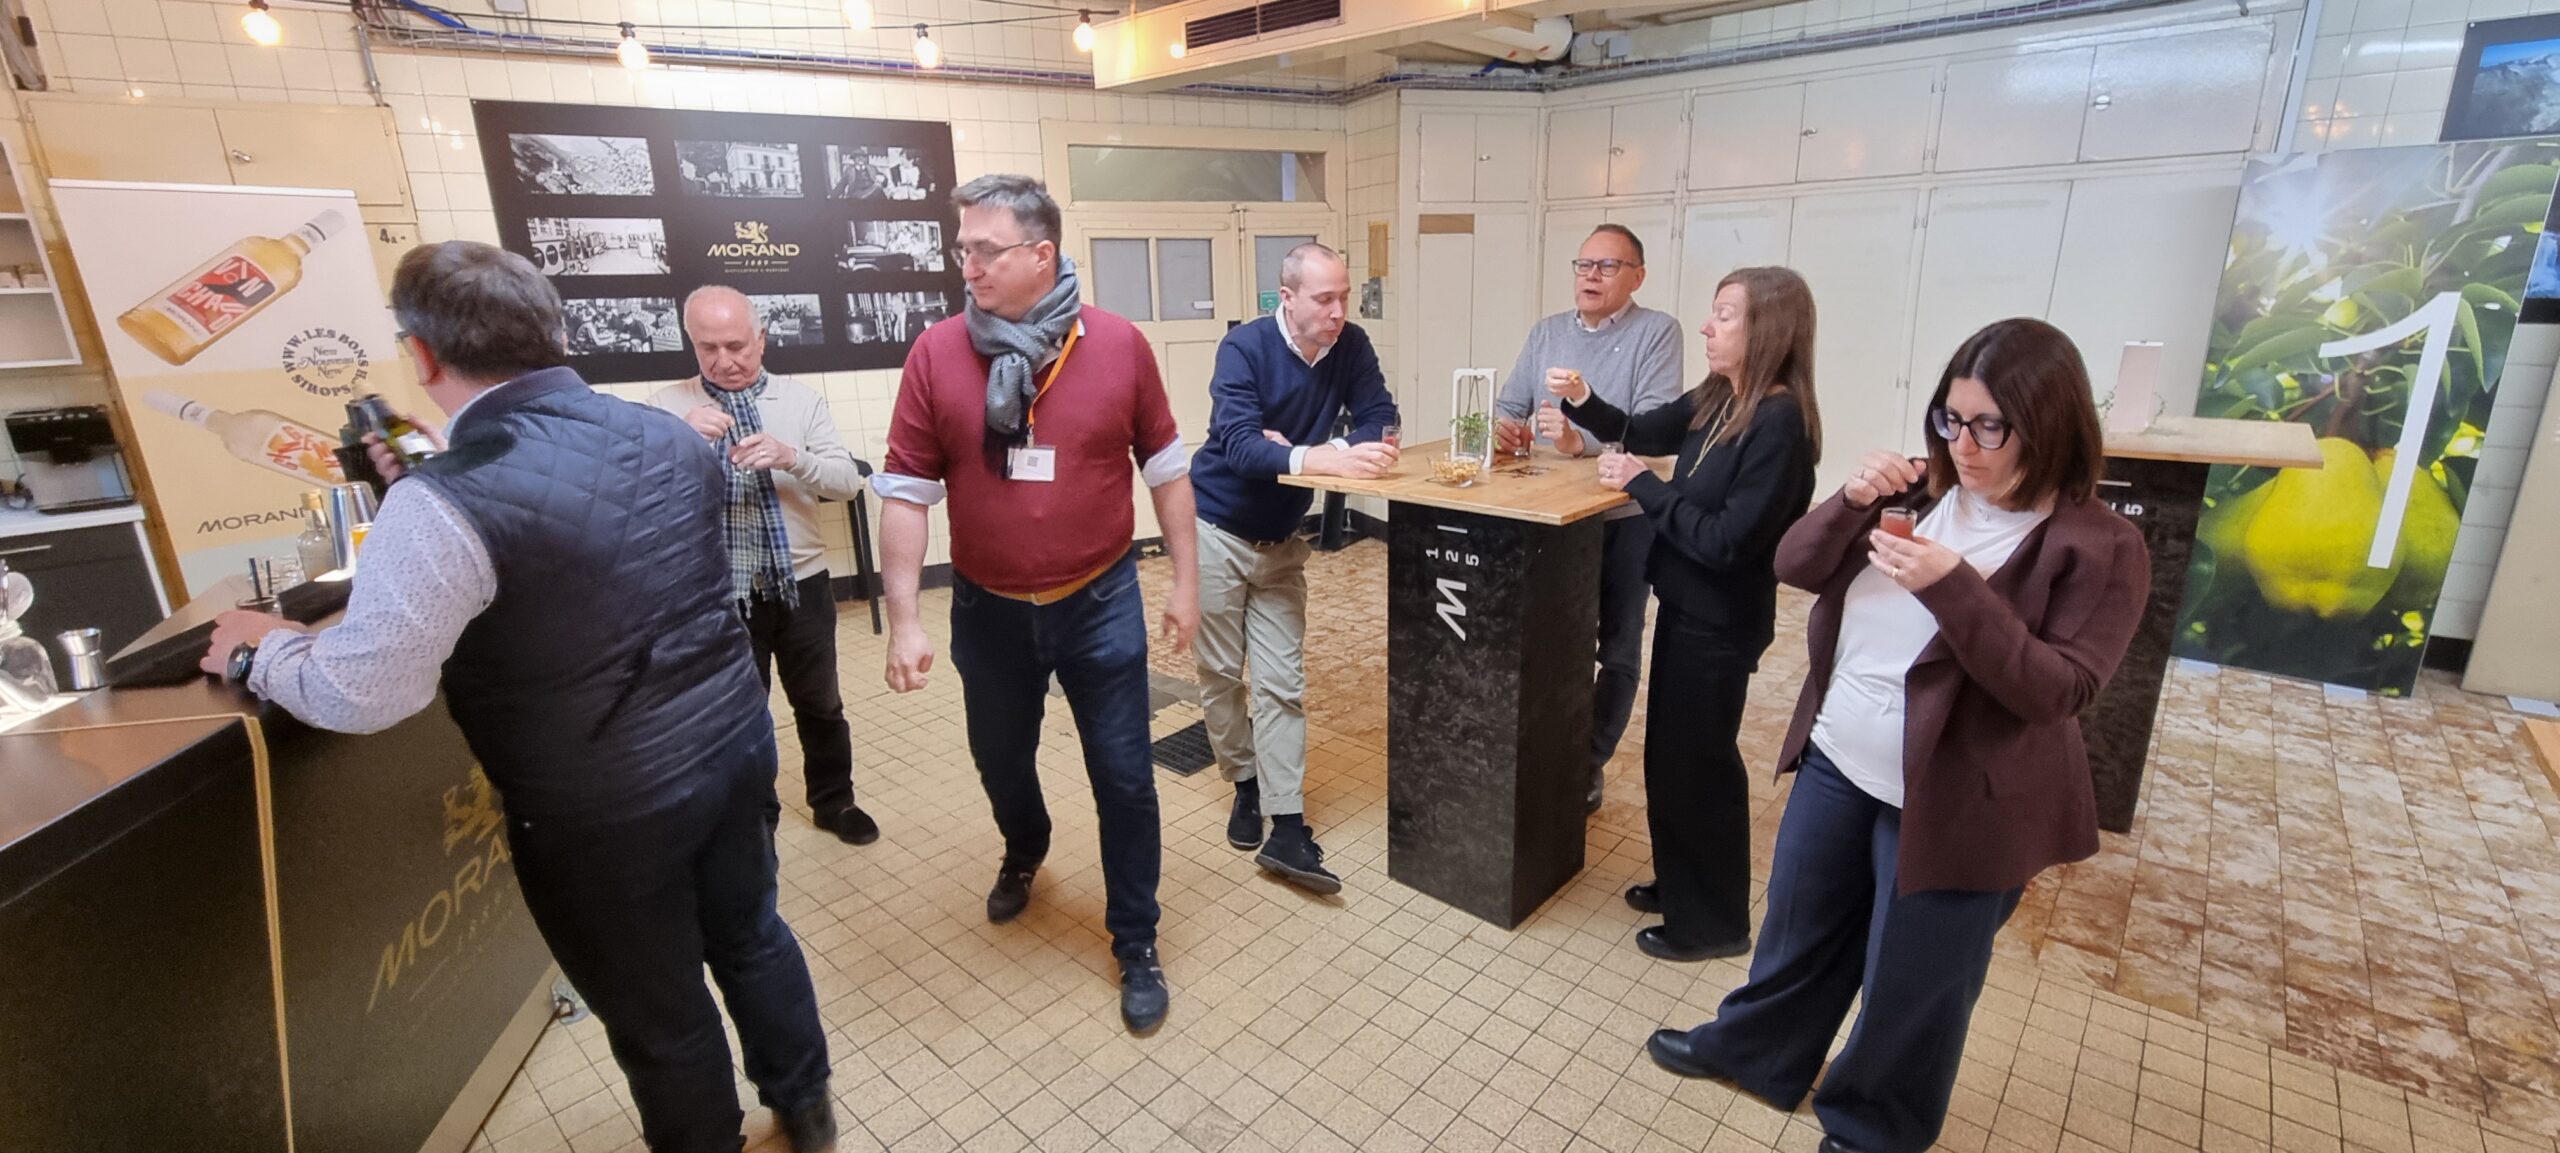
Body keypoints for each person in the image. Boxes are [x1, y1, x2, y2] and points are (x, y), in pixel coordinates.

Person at [197, 242, 835, 1153]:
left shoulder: (443, 502)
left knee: (658, 1005)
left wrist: (263, 651)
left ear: (422, 355)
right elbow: (605, 554)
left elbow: (364, 689)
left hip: (600, 802)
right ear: (558, 332)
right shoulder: (667, 433)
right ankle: (808, 1112)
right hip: (730, 742)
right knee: (752, 934)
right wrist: (435, 476)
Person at [1644, 318, 2150, 1153]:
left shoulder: (2101, 546)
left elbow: (2058, 689)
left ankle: (1875, 1124)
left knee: (1915, 981)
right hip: (1842, 757)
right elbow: (1795, 565)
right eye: (1952, 418)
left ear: (2049, 426)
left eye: (1991, 426)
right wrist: (1848, 501)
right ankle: (1756, 1050)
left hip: (1962, 799)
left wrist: (1956, 586)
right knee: (1798, 932)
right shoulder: (1917, 490)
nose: (1964, 444)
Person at [874, 173, 1199, 1034]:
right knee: (1000, 758)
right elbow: (905, 492)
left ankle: (1136, 937)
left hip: (1099, 597)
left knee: (1124, 776)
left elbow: (1167, 470)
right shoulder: (938, 352)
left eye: (986, 250)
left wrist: (1187, 581)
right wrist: (904, 619)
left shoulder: (1118, 345)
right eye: (963, 249)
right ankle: (1026, 845)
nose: (968, 266)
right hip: (988, 609)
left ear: (1042, 254)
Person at [1552, 266, 1822, 961]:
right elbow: (1641, 428)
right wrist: (1583, 400)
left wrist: (1643, 485)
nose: (1707, 325)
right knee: (1670, 761)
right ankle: (1681, 883)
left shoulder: (1780, 424)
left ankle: (1713, 923)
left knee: (1701, 768)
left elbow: (1727, 540)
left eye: (1725, 315)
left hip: (1722, 622)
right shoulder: (1719, 397)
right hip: (1686, 605)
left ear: (1767, 329)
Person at [1188, 242, 1400, 894]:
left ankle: (1285, 824)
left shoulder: (1350, 345)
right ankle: (1244, 783)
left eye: (1345, 297)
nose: (1339, 311)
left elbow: (1382, 422)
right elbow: (1239, 447)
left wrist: (1307, 450)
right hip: (1215, 530)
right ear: (1288, 298)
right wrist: (1321, 458)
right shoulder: (1244, 349)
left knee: (1281, 683)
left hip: (1282, 543)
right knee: (1221, 674)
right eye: (1324, 299)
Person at [652, 285, 880, 848]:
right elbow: (643, 499)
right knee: (736, 717)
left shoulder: (800, 401)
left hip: (802, 585)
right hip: (718, 591)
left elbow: (848, 482)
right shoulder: (667, 407)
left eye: (736, 346)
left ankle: (834, 801)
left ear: (762, 339)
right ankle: (754, 817)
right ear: (691, 343)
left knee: (821, 704)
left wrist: (791, 457)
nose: (724, 360)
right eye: (708, 348)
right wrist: (678, 442)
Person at [1494, 224, 1686, 814]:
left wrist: (1581, 441)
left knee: (1618, 646)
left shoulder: (1657, 333)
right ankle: (1541, 749)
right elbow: (1509, 404)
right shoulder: (1547, 332)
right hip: (1551, 518)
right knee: (1551, 640)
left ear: (1637, 276)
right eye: (1584, 265)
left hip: (1624, 513)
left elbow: (1653, 432)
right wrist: (1507, 430)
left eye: (1607, 266)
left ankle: (1588, 760)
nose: (1591, 277)